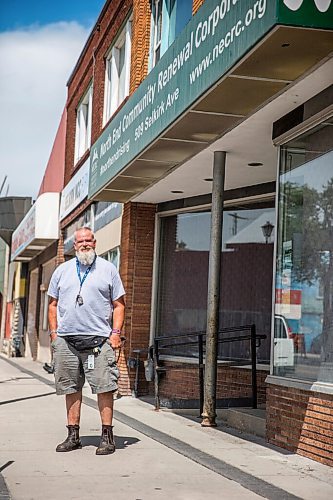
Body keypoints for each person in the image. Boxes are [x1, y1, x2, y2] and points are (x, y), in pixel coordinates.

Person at [47, 226, 125, 455]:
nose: (85, 245)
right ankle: (73, 436)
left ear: (95, 242)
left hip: (98, 343)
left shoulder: (108, 269)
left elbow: (119, 305)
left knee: (105, 388)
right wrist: (54, 335)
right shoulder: (62, 270)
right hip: (66, 342)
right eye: (80, 241)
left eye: (88, 241)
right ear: (74, 245)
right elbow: (52, 304)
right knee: (71, 388)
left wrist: (115, 334)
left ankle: (107, 437)